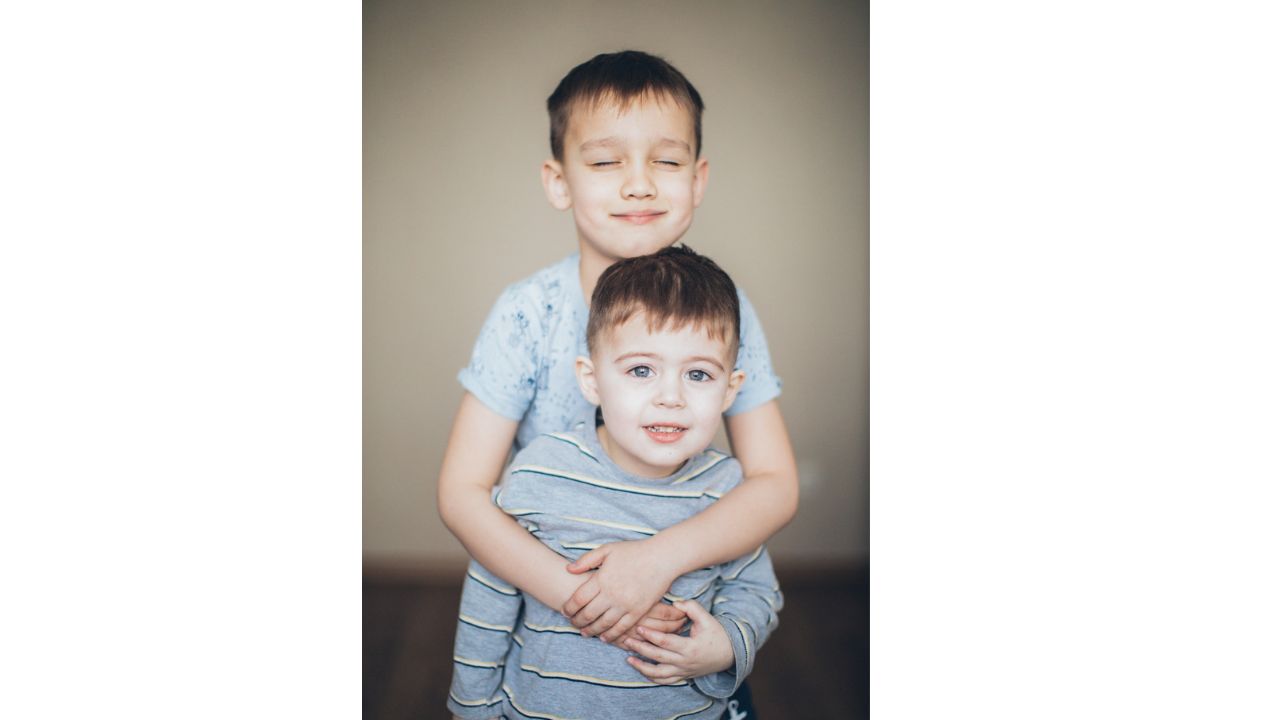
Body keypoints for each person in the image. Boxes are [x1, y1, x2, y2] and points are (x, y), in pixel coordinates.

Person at [436, 50, 798, 717]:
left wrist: (656, 562)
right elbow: (463, 493)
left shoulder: (731, 311)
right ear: (559, 181)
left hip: (679, 627)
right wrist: (589, 598)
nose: (639, 184)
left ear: (698, 179)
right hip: (557, 637)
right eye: (605, 162)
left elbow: (774, 483)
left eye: (666, 161)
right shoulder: (529, 313)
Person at [448, 246, 782, 720]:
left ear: (731, 388)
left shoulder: (727, 490)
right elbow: (490, 595)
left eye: (699, 374)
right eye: (641, 370)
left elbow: (756, 590)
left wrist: (727, 644)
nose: (671, 397)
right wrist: (472, 707)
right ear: (591, 380)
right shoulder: (540, 471)